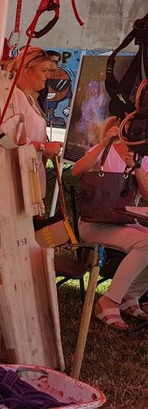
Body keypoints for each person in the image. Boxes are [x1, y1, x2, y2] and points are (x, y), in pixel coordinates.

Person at [0, 46, 64, 299]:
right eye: (44, 70)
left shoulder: (27, 98)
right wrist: (43, 148)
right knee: (7, 231)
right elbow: (7, 138)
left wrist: (43, 148)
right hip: (14, 175)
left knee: (2, 230)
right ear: (26, 71)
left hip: (26, 174)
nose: (48, 75)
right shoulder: (13, 96)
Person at [71, 116, 148, 331]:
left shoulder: (143, 157)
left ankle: (130, 296)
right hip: (94, 224)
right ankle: (109, 301)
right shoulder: (105, 149)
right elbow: (76, 171)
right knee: (146, 243)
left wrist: (137, 167)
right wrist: (104, 142)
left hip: (125, 223)